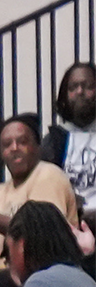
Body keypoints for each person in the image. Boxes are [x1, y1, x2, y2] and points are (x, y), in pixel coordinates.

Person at [0, 114, 88, 283]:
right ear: (1, 153)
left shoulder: (48, 174)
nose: (14, 148)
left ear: (37, 147)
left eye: (22, 142)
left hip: (37, 278)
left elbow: (42, 235)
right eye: (7, 145)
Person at [41, 61, 96, 215]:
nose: (80, 91)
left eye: (88, 86)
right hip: (67, 220)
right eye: (72, 88)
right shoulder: (54, 140)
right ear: (64, 95)